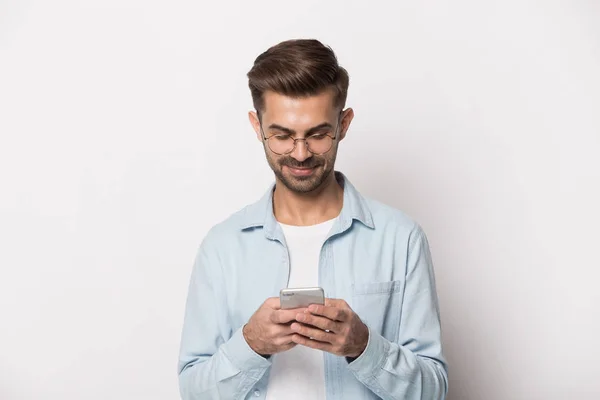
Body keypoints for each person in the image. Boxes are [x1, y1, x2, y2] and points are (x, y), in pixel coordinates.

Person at [177, 38, 448, 400]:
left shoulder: (401, 239)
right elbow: (194, 392)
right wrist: (251, 344)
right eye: (282, 135)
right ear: (257, 126)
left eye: (319, 135)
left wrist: (364, 347)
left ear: (344, 123)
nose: (301, 154)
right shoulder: (222, 247)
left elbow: (433, 391)